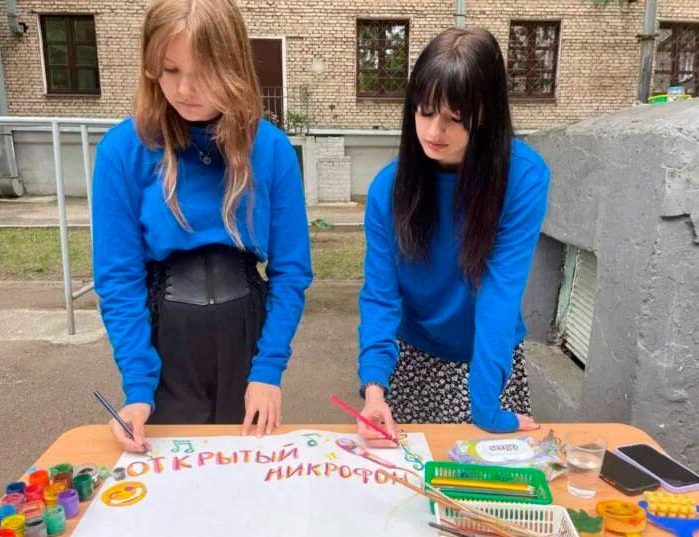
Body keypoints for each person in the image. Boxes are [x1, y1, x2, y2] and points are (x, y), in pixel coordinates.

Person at [92, 0, 312, 452]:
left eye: (203, 71)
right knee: (172, 473)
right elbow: (118, 279)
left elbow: (291, 272)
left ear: (232, 66)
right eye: (169, 70)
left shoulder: (271, 149)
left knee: (247, 466)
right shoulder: (123, 150)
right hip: (167, 342)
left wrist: (268, 370)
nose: (185, 89)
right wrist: (138, 387)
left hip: (247, 339)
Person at [357, 27, 550, 446]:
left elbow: (501, 291)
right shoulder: (388, 189)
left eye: (454, 118)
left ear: (485, 113)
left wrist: (485, 405)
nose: (434, 131)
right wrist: (373, 388)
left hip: (489, 359)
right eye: (425, 112)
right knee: (412, 478)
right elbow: (380, 296)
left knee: (488, 478)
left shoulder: (522, 177)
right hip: (412, 359)